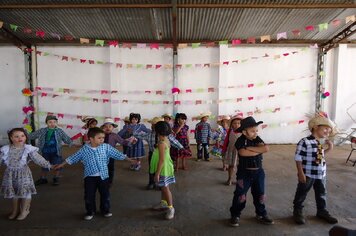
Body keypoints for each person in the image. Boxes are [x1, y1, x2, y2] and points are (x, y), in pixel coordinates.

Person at [55, 127, 132, 220]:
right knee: (89, 195)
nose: (102, 140)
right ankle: (90, 211)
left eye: (103, 138)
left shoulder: (106, 147)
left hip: (104, 176)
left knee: (105, 194)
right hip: (90, 177)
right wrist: (62, 164)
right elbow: (73, 157)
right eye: (99, 138)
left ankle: (105, 210)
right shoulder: (85, 149)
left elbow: (117, 154)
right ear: (91, 138)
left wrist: (130, 160)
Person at [293, 112, 338, 225]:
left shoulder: (319, 142)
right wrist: (300, 172)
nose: (328, 132)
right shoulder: (305, 142)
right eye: (326, 129)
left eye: (329, 130)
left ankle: (321, 211)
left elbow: (319, 156)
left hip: (320, 174)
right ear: (316, 127)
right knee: (302, 192)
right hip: (308, 173)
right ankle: (297, 211)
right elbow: (298, 158)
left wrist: (329, 148)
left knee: (321, 193)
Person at [230, 116, 274, 227]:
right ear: (244, 132)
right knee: (240, 195)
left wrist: (250, 149)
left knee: (260, 194)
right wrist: (258, 151)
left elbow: (266, 149)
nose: (255, 133)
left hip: (259, 173)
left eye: (256, 131)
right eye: (252, 131)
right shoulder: (240, 140)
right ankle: (235, 214)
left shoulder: (257, 139)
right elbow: (243, 153)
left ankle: (261, 213)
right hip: (244, 174)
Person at [0, 128, 53, 220]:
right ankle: (15, 211)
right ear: (11, 138)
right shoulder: (6, 149)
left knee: (25, 193)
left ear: (25, 137)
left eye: (22, 136)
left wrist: (49, 165)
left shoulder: (28, 149)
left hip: (23, 174)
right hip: (10, 175)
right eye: (16, 136)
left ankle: (25, 211)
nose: (20, 138)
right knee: (15, 193)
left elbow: (38, 159)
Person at [134, 117, 183, 190]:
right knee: (152, 169)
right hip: (152, 155)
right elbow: (137, 135)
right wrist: (137, 127)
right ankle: (151, 183)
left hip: (162, 156)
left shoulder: (166, 135)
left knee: (161, 169)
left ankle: (160, 183)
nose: (151, 126)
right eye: (152, 124)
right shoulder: (149, 134)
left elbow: (175, 142)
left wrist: (182, 148)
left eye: (153, 125)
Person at [28, 115, 72, 186]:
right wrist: (26, 133)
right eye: (50, 122)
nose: (52, 124)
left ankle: (56, 178)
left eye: (54, 122)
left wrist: (70, 143)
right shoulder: (42, 130)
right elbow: (32, 135)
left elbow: (66, 138)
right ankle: (43, 178)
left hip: (56, 152)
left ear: (56, 123)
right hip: (45, 151)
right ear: (46, 123)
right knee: (44, 164)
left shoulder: (59, 131)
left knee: (57, 164)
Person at [150, 121, 176, 220]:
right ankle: (163, 203)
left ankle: (170, 208)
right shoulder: (165, 139)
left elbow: (161, 160)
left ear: (158, 131)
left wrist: (157, 173)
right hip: (165, 167)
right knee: (163, 186)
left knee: (165, 188)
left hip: (163, 169)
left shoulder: (161, 143)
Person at [101, 118, 136, 186]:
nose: (108, 128)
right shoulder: (100, 135)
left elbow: (122, 141)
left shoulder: (115, 136)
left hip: (111, 155)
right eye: (106, 126)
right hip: (100, 155)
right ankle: (102, 180)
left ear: (113, 127)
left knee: (110, 168)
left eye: (110, 126)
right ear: (103, 128)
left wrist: (130, 142)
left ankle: (109, 181)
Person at [221, 115, 242, 185]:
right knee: (231, 166)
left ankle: (239, 180)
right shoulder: (230, 132)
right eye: (235, 123)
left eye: (239, 123)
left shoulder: (243, 132)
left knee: (240, 167)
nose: (237, 125)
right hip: (232, 151)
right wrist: (223, 150)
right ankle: (230, 179)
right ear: (231, 124)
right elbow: (226, 142)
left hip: (241, 152)